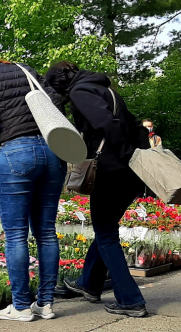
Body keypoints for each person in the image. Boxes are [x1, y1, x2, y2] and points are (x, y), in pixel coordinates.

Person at [0, 47, 65, 322]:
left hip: (15, 151)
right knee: (46, 232)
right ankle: (46, 304)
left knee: (16, 233)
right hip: (52, 151)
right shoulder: (24, 69)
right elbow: (54, 98)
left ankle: (20, 306)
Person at [46, 61, 151, 317]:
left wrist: (122, 156)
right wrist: (138, 160)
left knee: (106, 234)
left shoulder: (80, 92)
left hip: (110, 172)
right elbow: (136, 127)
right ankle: (89, 284)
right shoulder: (106, 89)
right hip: (128, 172)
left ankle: (130, 300)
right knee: (106, 229)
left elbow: (107, 125)